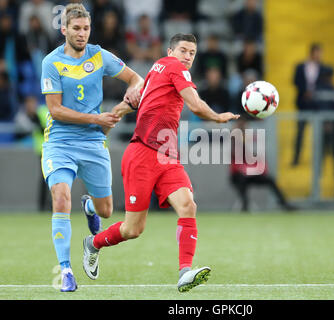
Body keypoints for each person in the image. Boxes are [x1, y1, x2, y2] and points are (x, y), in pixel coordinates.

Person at [82, 33, 240, 293]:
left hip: (166, 155)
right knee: (133, 229)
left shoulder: (157, 72)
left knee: (188, 205)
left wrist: (109, 121)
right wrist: (218, 117)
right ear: (170, 51)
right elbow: (196, 106)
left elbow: (128, 104)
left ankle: (184, 272)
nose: (187, 57)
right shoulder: (174, 68)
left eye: (192, 52)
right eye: (183, 51)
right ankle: (94, 243)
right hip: (142, 153)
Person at [40, 3, 144, 292]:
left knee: (107, 211)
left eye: (86, 28)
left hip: (93, 142)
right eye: (76, 28)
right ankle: (66, 271)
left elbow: (136, 78)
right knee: (60, 199)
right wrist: (96, 117)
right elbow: (56, 110)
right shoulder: (51, 62)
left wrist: (132, 92)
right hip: (59, 142)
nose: (82, 33)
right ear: (64, 30)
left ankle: (89, 206)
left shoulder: (99, 56)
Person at [230, 117, 296, 212]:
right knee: (241, 180)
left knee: (270, 180)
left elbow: (257, 158)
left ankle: (284, 204)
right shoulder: (234, 142)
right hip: (239, 174)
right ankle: (245, 206)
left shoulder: (251, 141)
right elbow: (236, 164)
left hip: (251, 173)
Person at [311, 67, 334, 197]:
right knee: (324, 160)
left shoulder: (318, 92)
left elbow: (312, 109)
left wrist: (331, 123)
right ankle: (320, 189)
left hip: (331, 131)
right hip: (325, 131)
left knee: (327, 160)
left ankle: (332, 188)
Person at [291, 43, 325, 166]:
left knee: (318, 134)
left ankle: (319, 159)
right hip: (303, 104)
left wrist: (314, 94)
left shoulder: (323, 68)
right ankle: (296, 159)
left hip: (317, 105)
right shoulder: (300, 66)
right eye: (317, 52)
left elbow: (324, 85)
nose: (319, 55)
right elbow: (295, 81)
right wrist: (305, 92)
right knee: (300, 133)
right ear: (311, 53)